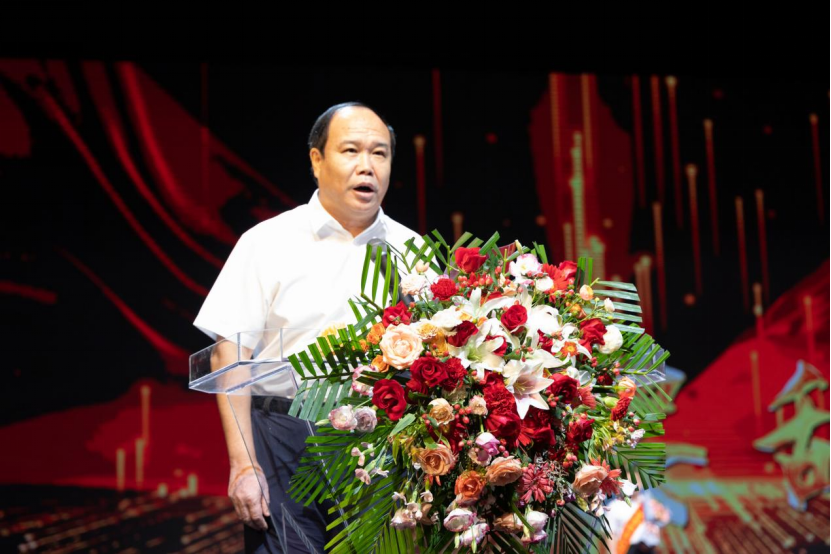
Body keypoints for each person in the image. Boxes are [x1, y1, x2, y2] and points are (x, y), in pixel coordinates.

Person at [193, 102, 422, 553]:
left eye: (379, 153)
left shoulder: (412, 250)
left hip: (382, 447)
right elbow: (230, 354)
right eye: (351, 150)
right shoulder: (267, 242)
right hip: (284, 440)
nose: (367, 166)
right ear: (317, 160)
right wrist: (243, 465)